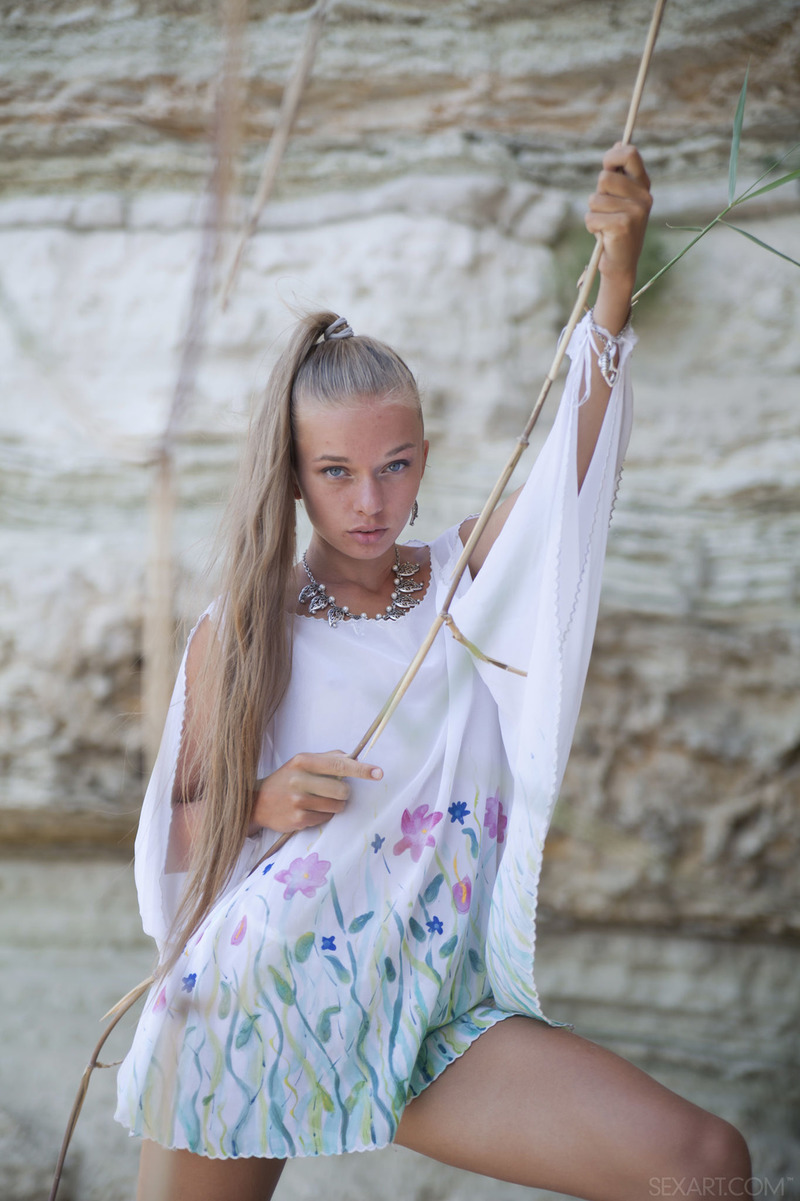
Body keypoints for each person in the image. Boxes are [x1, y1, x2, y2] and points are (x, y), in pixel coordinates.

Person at [115, 145, 751, 1200]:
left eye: (394, 464)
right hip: (263, 997)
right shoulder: (247, 629)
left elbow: (569, 484)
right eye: (335, 471)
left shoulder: (466, 582)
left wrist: (613, 288)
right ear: (293, 477)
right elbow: (167, 831)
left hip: (435, 1009)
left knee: (703, 1164)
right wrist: (260, 799)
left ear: (423, 457)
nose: (369, 500)